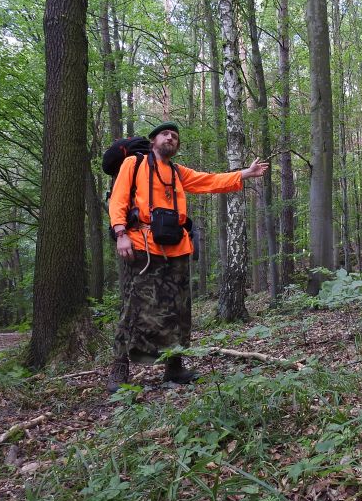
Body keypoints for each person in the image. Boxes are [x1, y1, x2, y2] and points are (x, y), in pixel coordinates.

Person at [107, 121, 269, 393]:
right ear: (153, 140)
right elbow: (119, 200)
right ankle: (119, 370)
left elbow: (210, 181)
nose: (170, 138)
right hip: (142, 246)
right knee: (135, 308)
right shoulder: (134, 165)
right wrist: (120, 232)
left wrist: (245, 173)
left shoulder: (178, 173)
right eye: (165, 134)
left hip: (178, 249)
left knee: (179, 310)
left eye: (174, 136)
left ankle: (174, 368)